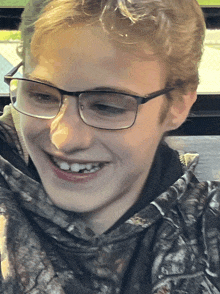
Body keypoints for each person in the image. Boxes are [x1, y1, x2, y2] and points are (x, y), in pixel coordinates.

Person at [0, 0, 219, 293]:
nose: (64, 139)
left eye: (107, 106)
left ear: (177, 106)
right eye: (42, 96)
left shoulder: (207, 228)